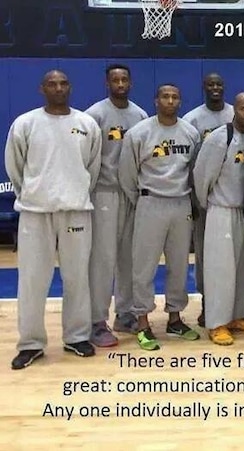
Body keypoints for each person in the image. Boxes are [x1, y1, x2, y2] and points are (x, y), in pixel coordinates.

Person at [6, 70, 102, 369]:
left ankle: (76, 337)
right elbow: (15, 167)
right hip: (35, 213)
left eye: (63, 84)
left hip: (76, 210)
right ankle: (31, 343)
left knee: (77, 278)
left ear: (70, 87)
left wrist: (74, 192)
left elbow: (92, 168)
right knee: (33, 281)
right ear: (42, 88)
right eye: (52, 84)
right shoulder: (25, 123)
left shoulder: (86, 124)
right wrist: (34, 194)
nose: (58, 88)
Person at [119, 83, 201, 351]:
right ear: (156, 100)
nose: (170, 100)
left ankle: (175, 318)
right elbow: (127, 174)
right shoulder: (139, 132)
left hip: (181, 204)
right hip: (150, 202)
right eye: (165, 96)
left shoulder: (190, 133)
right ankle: (142, 321)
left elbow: (194, 172)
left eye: (175, 96)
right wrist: (143, 198)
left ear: (180, 101)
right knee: (143, 266)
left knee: (179, 265)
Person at [84, 64, 148, 347]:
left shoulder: (140, 115)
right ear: (107, 83)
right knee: (103, 260)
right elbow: (85, 158)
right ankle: (97, 320)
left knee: (129, 259)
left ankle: (125, 314)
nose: (120, 83)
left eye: (124, 79)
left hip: (132, 193)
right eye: (115, 79)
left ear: (131, 83)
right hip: (105, 193)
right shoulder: (94, 115)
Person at [193, 93, 244, 346]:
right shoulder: (221, 137)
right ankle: (217, 323)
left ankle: (238, 315)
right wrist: (207, 205)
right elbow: (202, 177)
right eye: (243, 108)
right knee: (220, 270)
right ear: (235, 110)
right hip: (221, 209)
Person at [182, 73, 235, 328]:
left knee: (233, 259)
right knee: (205, 257)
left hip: (231, 199)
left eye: (219, 84)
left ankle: (234, 309)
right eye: (211, 84)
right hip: (205, 201)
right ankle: (207, 304)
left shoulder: (236, 115)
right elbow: (189, 165)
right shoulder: (193, 120)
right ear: (204, 88)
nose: (215, 88)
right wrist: (195, 199)